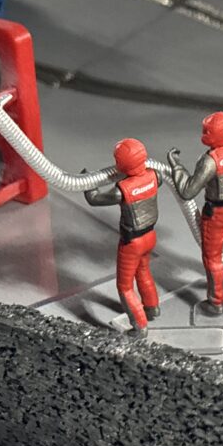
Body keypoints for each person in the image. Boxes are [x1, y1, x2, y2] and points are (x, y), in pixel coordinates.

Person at [167, 111, 223, 315]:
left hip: (219, 213)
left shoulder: (209, 161)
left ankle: (216, 302)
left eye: (207, 131)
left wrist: (176, 167)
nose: (203, 133)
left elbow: (187, 191)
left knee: (212, 258)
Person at [84, 138, 161, 338]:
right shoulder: (155, 176)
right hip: (150, 235)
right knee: (144, 271)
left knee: (125, 286)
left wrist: (88, 181)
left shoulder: (122, 190)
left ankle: (140, 326)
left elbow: (94, 199)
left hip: (132, 242)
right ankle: (152, 308)